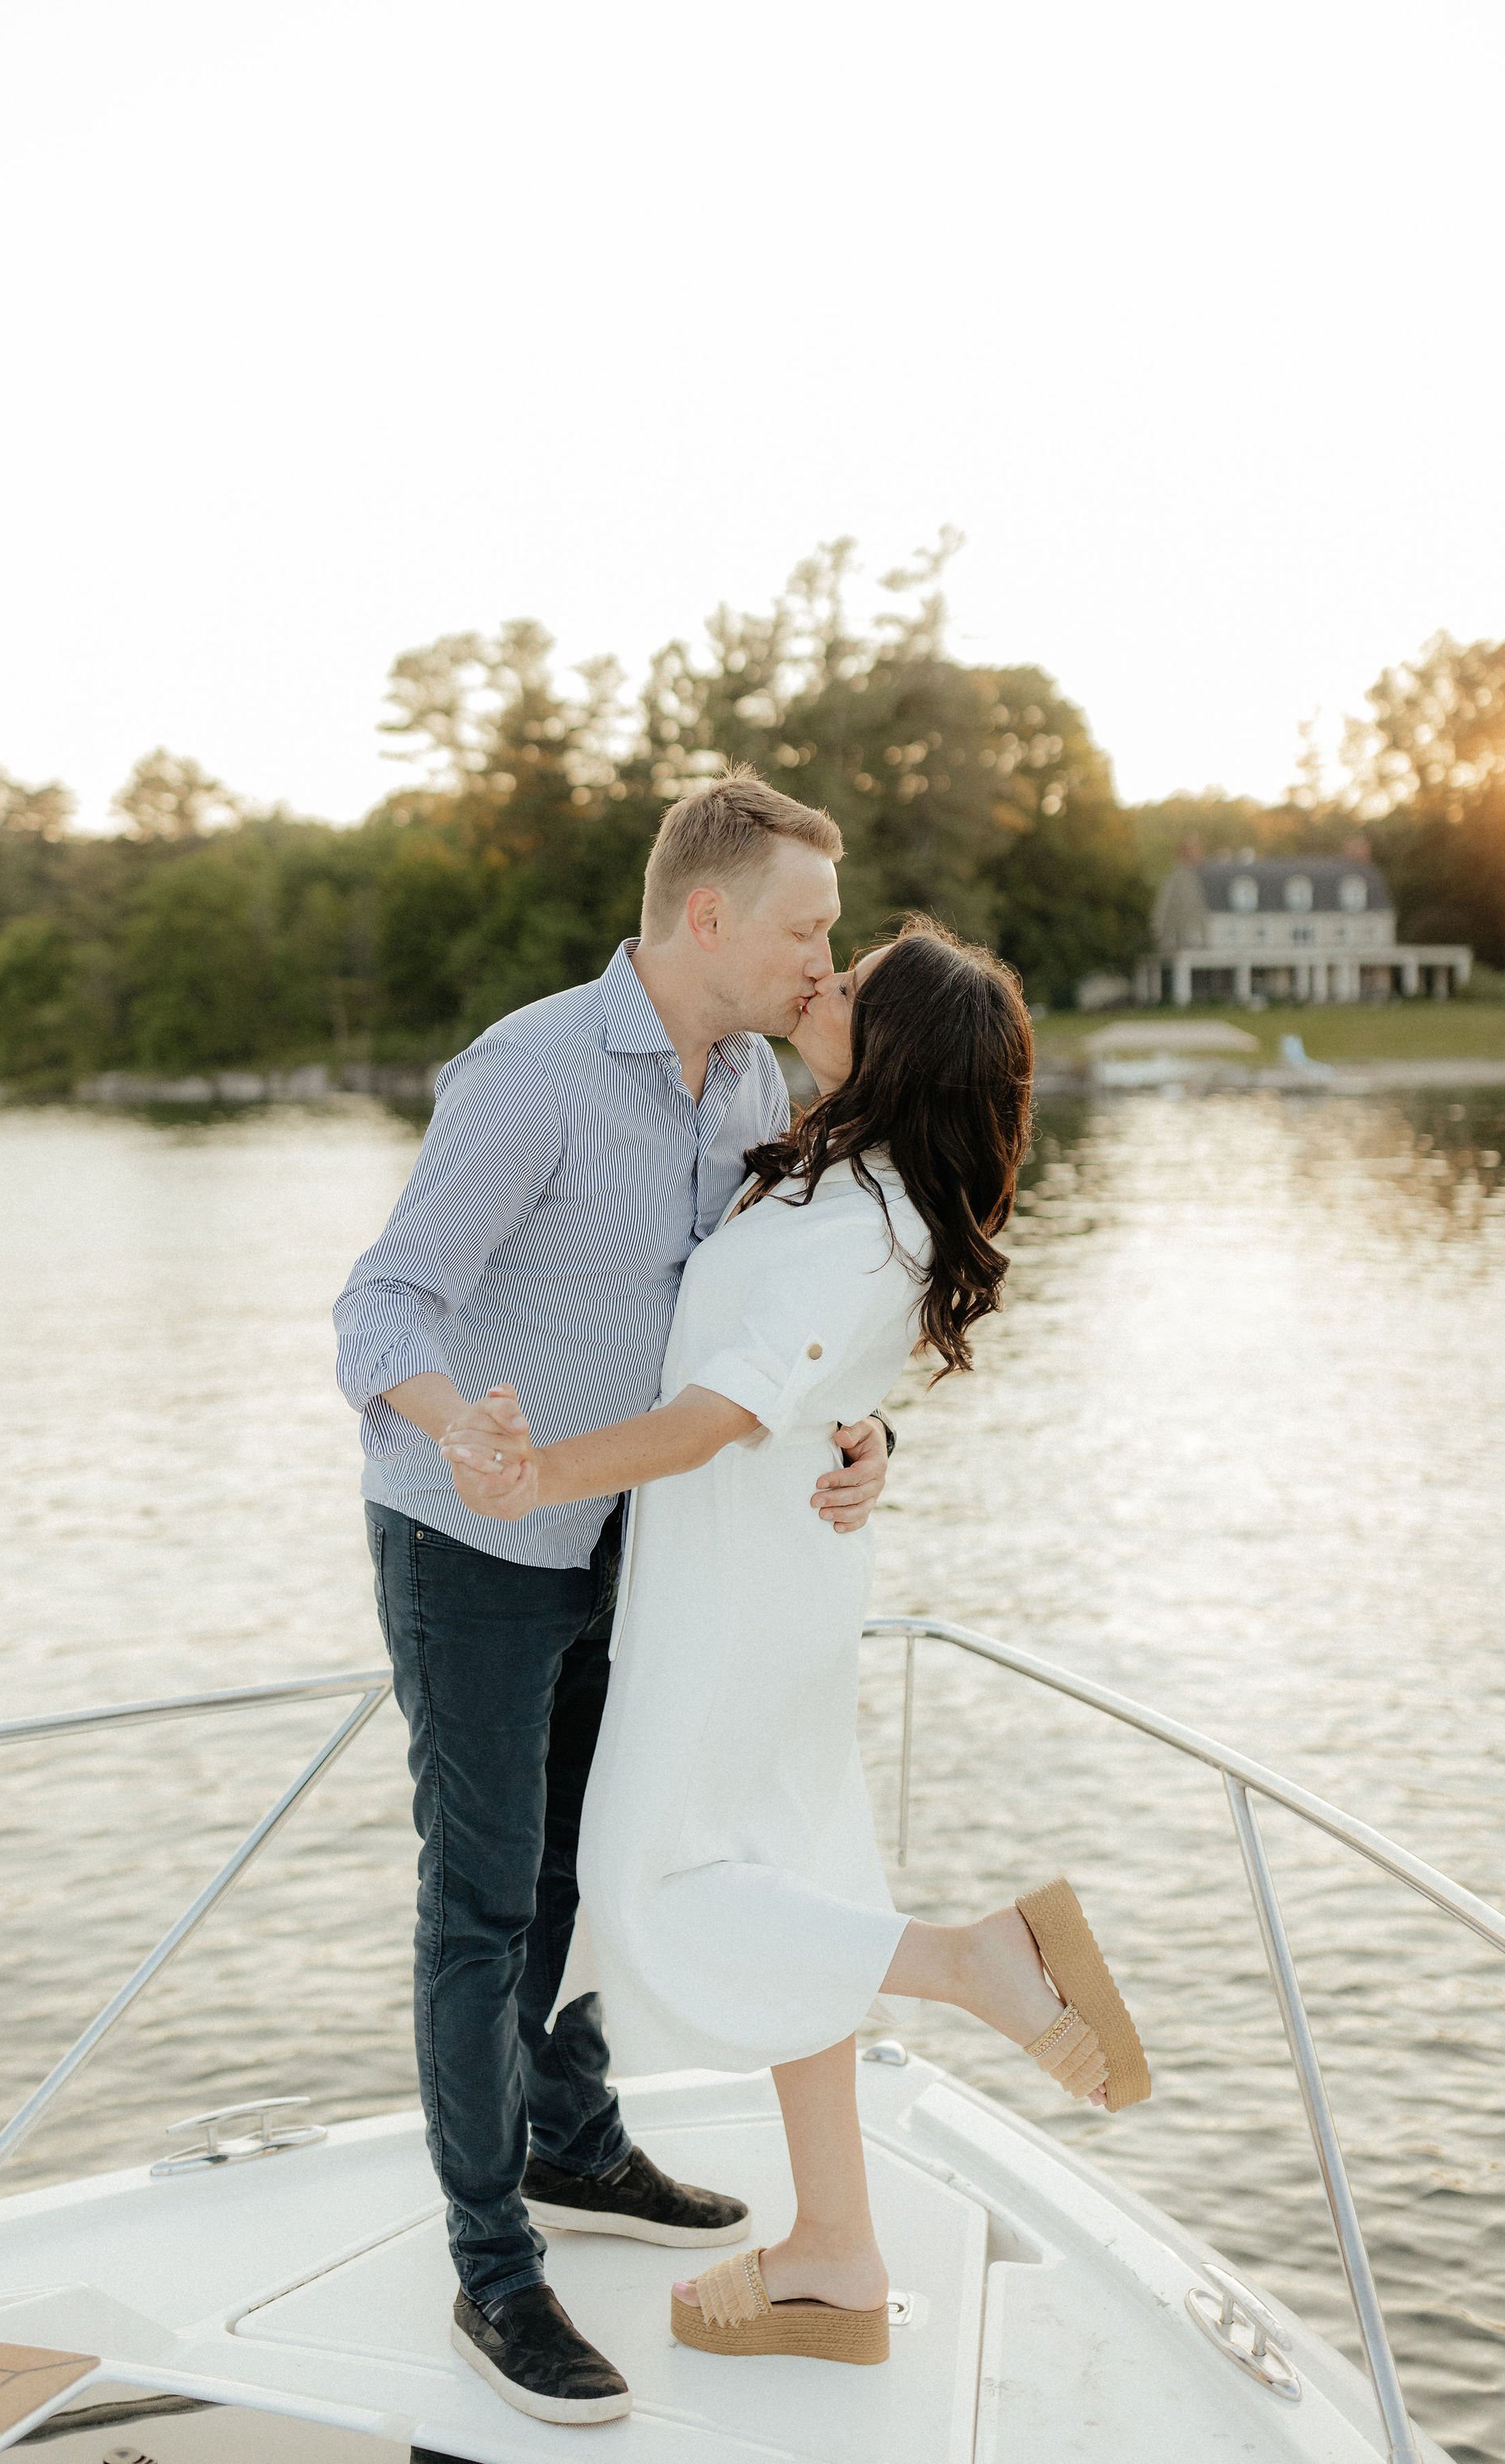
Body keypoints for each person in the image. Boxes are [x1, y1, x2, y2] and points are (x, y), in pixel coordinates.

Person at [445, 916, 1151, 2378]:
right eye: (837, 960)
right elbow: (819, 1374)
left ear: (896, 1053)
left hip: (736, 1595)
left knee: (654, 1890)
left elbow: (719, 1416)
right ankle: (834, 2249)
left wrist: (537, 1475)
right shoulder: (832, 1165)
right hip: (771, 1567)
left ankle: (970, 1958)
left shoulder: (862, 1220)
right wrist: (876, 1431)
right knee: (799, 1881)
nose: (825, 980)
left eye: (857, 985)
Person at [333, 771, 895, 2427]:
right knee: (488, 1897)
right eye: (807, 927)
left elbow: (760, 1322)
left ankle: (575, 2142)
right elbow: (381, 1308)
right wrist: (465, 1424)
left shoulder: (741, 1091)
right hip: (476, 1549)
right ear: (708, 915)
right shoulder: (531, 1076)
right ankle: (494, 2266)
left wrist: (867, 1430)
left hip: (637, 1549)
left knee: (600, 1866)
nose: (825, 956)